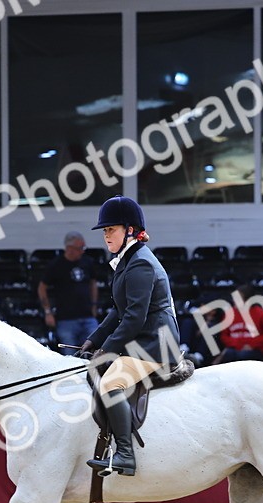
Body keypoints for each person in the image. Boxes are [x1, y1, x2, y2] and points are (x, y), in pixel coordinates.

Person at [76, 196, 179, 477]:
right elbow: (118, 311)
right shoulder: (128, 261)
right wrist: (93, 341)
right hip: (142, 339)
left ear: (130, 230)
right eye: (105, 231)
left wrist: (107, 350)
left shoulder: (141, 264)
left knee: (110, 383)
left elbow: (134, 317)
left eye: (112, 229)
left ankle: (124, 454)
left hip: (155, 344)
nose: (106, 235)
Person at [38, 232, 98, 348]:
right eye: (80, 248)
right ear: (69, 248)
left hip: (87, 316)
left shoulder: (87, 262)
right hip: (66, 319)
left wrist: (94, 305)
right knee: (70, 354)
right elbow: (42, 288)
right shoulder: (56, 265)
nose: (82, 251)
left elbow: (93, 283)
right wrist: (48, 312)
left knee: (95, 349)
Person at [214, 284, 263, 364]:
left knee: (243, 355)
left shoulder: (260, 313)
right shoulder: (229, 314)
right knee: (229, 354)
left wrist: (252, 344)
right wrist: (239, 345)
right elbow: (224, 336)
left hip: (254, 349)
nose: (234, 300)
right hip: (234, 349)